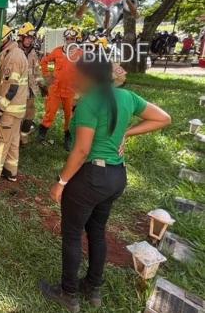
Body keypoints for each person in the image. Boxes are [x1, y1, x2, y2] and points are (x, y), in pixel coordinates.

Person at [39, 54, 171, 313]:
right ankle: (93, 287)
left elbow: (81, 151)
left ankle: (68, 293)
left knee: (73, 235)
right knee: (97, 231)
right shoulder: (127, 97)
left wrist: (61, 182)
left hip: (90, 178)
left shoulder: (90, 103)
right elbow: (163, 118)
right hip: (116, 177)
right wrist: (126, 132)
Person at [0, 25, 28, 184]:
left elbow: (11, 87)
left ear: (3, 38)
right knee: (13, 142)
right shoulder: (14, 53)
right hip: (17, 111)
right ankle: (10, 171)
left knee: (0, 142)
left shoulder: (13, 57)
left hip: (9, 110)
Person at [39, 26, 83, 151]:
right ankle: (41, 134)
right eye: (67, 38)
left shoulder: (81, 54)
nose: (69, 40)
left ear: (76, 39)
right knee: (50, 112)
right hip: (56, 89)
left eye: (72, 38)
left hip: (71, 91)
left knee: (70, 115)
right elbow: (44, 61)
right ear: (65, 39)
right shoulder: (57, 51)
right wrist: (47, 76)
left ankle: (68, 137)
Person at [17, 22, 41, 141]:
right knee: (17, 115)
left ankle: (24, 136)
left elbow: (36, 70)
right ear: (21, 37)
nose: (29, 40)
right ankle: (15, 138)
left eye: (31, 38)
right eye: (27, 37)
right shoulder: (14, 52)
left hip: (30, 89)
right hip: (17, 90)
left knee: (30, 114)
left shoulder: (32, 52)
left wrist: (41, 84)